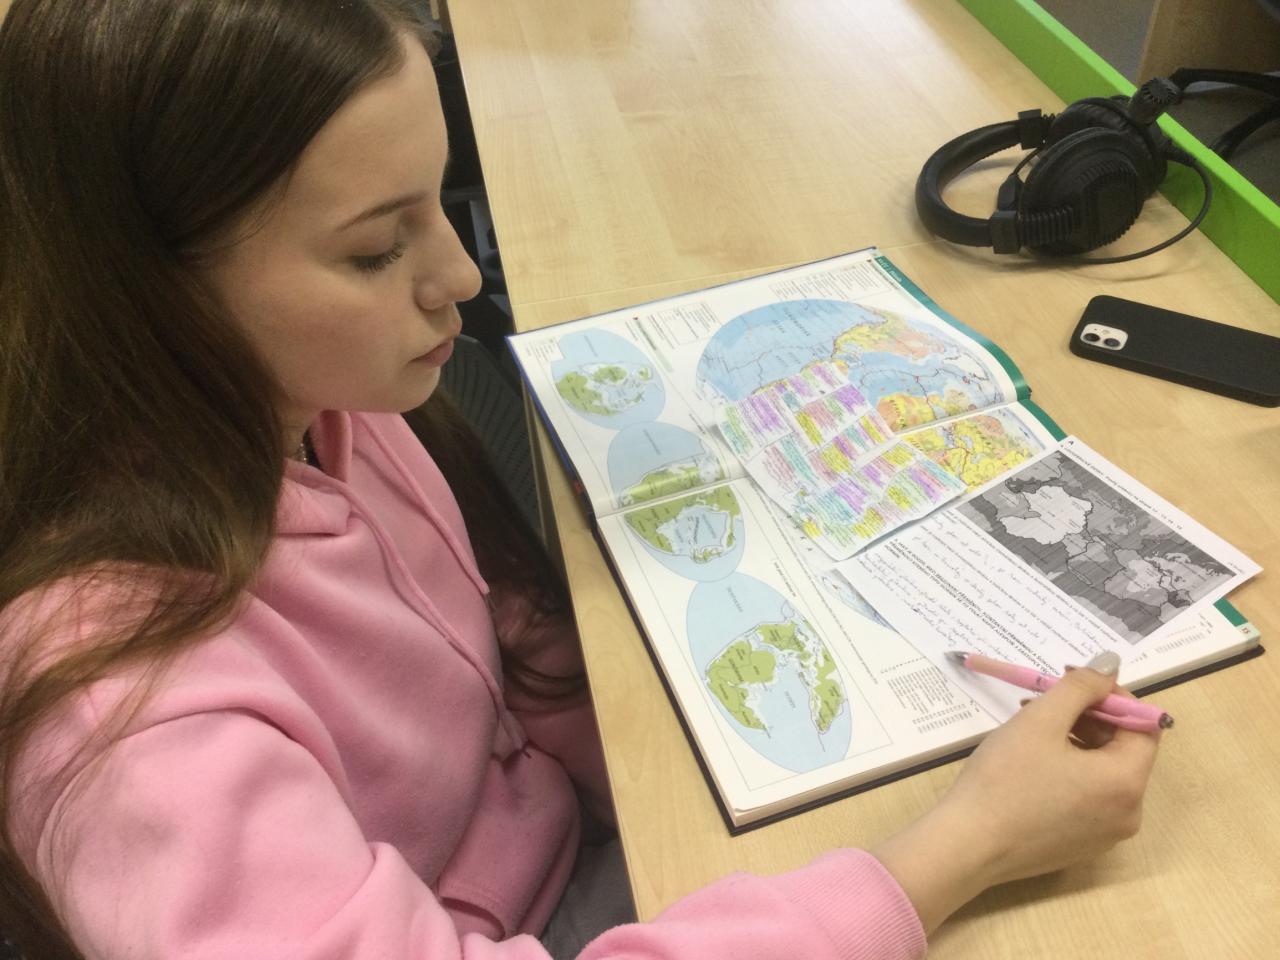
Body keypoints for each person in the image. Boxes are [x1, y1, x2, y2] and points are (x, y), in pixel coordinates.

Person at [0, 2, 1161, 959]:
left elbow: (483, 626)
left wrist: (687, 771)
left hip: (557, 834)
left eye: (438, 204)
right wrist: (959, 851)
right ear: (142, 284)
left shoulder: (312, 403)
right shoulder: (126, 722)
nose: (460, 278)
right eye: (374, 249)